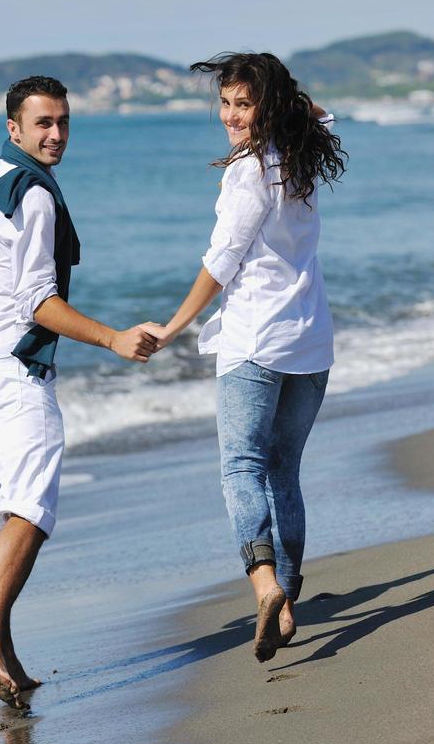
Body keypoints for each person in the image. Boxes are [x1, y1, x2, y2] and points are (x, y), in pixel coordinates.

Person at [0, 75, 160, 707]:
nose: (55, 135)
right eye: (42, 123)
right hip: (12, 372)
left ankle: (1, 648)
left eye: (64, 122)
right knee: (33, 508)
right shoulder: (37, 197)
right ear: (13, 128)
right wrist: (113, 339)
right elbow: (38, 304)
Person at [146, 52, 345, 663]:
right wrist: (282, 98)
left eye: (244, 103)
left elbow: (221, 261)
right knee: (282, 470)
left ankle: (263, 584)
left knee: (240, 467)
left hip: (255, 341)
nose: (231, 116)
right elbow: (323, 114)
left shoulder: (250, 171)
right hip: (310, 343)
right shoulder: (303, 155)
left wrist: (175, 326)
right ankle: (286, 603)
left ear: (268, 108)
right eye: (226, 104)